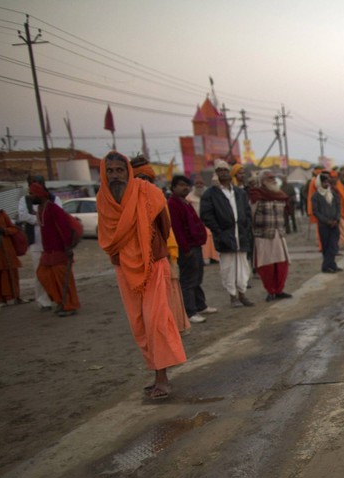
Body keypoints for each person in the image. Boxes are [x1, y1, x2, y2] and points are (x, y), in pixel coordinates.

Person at [96, 152, 186, 399]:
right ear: (104, 173)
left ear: (128, 171)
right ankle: (156, 373)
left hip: (153, 264)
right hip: (123, 267)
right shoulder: (102, 200)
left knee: (156, 320)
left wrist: (149, 248)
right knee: (139, 324)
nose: (115, 176)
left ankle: (163, 379)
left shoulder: (148, 193)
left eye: (120, 170)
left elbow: (164, 227)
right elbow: (106, 237)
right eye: (110, 171)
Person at [200, 160, 254, 307]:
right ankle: (233, 296)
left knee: (243, 266)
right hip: (225, 236)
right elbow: (206, 216)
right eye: (220, 170)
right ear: (216, 174)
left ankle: (243, 294)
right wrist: (219, 231)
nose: (223, 172)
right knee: (228, 268)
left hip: (241, 235)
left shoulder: (239, 192)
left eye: (225, 170)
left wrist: (245, 227)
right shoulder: (210, 194)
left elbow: (247, 213)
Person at [167, 175, 216, 323]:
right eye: (181, 185)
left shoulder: (185, 202)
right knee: (188, 280)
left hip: (195, 245)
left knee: (197, 276)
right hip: (186, 248)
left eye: (187, 185)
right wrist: (185, 248)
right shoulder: (173, 204)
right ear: (174, 187)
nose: (185, 188)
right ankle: (190, 311)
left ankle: (200, 305)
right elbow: (176, 230)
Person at [30, 182, 82, 316]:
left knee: (63, 278)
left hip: (59, 250)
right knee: (44, 275)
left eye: (32, 194)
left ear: (40, 194)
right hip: (47, 251)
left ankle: (70, 305)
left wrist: (67, 247)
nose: (30, 197)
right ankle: (61, 301)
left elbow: (63, 228)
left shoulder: (53, 208)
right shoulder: (40, 209)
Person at [17, 177, 62, 310]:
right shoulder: (25, 200)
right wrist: (40, 219)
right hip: (36, 243)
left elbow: (59, 214)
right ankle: (43, 301)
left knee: (57, 272)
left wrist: (42, 218)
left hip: (53, 242)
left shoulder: (54, 199)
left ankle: (59, 298)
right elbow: (23, 215)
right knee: (40, 272)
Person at [249, 170, 293, 300]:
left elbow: (286, 213)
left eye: (274, 177)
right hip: (263, 236)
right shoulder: (256, 195)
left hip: (279, 234)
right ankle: (270, 291)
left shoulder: (280, 195)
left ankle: (279, 290)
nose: (273, 180)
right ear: (262, 181)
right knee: (266, 266)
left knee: (282, 264)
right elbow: (251, 215)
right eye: (269, 178)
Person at [311, 171, 342, 273]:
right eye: (324, 182)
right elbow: (316, 212)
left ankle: (329, 265)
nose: (327, 184)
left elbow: (338, 207)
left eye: (327, 181)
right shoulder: (316, 196)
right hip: (324, 225)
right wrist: (327, 221)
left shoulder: (332, 193)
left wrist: (336, 219)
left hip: (335, 224)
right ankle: (329, 266)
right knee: (326, 247)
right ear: (320, 183)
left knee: (333, 246)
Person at [0, 210, 27, 305]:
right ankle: (2, 300)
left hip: (7, 249)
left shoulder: (2, 214)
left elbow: (13, 228)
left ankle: (16, 296)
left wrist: (4, 230)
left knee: (12, 273)